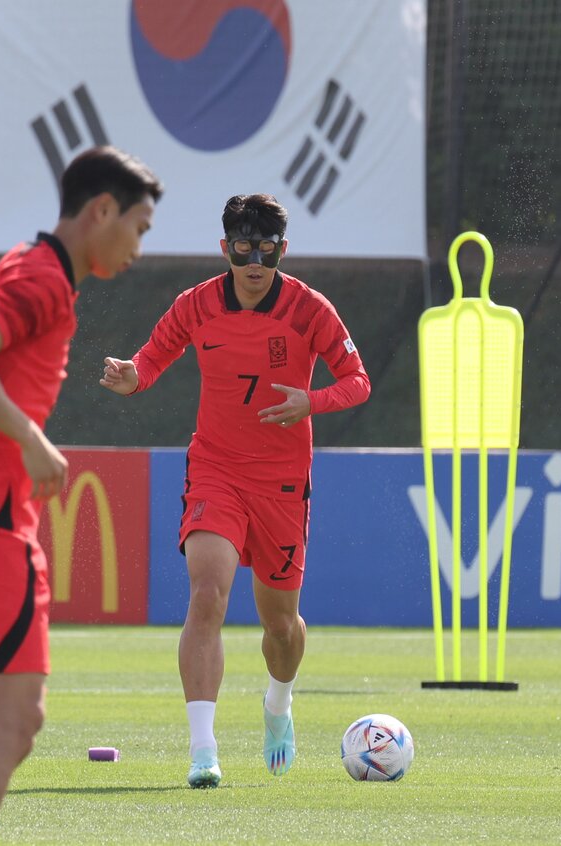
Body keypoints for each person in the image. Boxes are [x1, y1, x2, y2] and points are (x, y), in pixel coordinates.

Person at [0, 146, 162, 846]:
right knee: (14, 722)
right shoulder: (43, 277)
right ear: (101, 211)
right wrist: (23, 438)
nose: (140, 246)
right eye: (139, 226)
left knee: (10, 723)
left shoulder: (29, 267)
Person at [98, 193, 371, 788]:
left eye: (266, 250)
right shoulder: (195, 305)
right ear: (225, 248)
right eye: (243, 248)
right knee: (207, 596)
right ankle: (203, 752)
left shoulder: (309, 309)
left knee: (282, 626)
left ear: (282, 250)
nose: (254, 261)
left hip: (281, 483)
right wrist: (132, 377)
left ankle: (278, 703)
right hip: (215, 469)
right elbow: (153, 357)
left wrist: (311, 401)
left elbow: (357, 382)